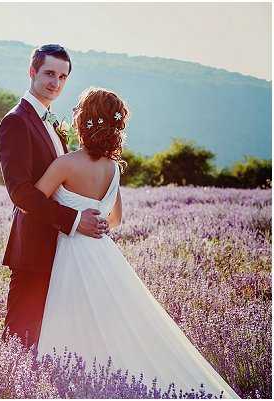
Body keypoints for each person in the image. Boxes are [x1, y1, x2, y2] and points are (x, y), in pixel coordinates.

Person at [34, 87, 239, 398]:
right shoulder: (113, 168)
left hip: (73, 254)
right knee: (116, 326)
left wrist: (73, 221)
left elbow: (32, 201)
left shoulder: (65, 164)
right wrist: (95, 219)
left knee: (74, 328)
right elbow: (115, 220)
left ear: (82, 122)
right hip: (103, 253)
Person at [0, 44, 109, 349]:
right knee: (20, 337)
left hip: (65, 251)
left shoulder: (52, 122)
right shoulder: (16, 121)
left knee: (53, 341)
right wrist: (75, 220)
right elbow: (20, 193)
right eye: (48, 73)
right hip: (34, 248)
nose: (55, 82)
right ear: (32, 72)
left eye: (62, 77)